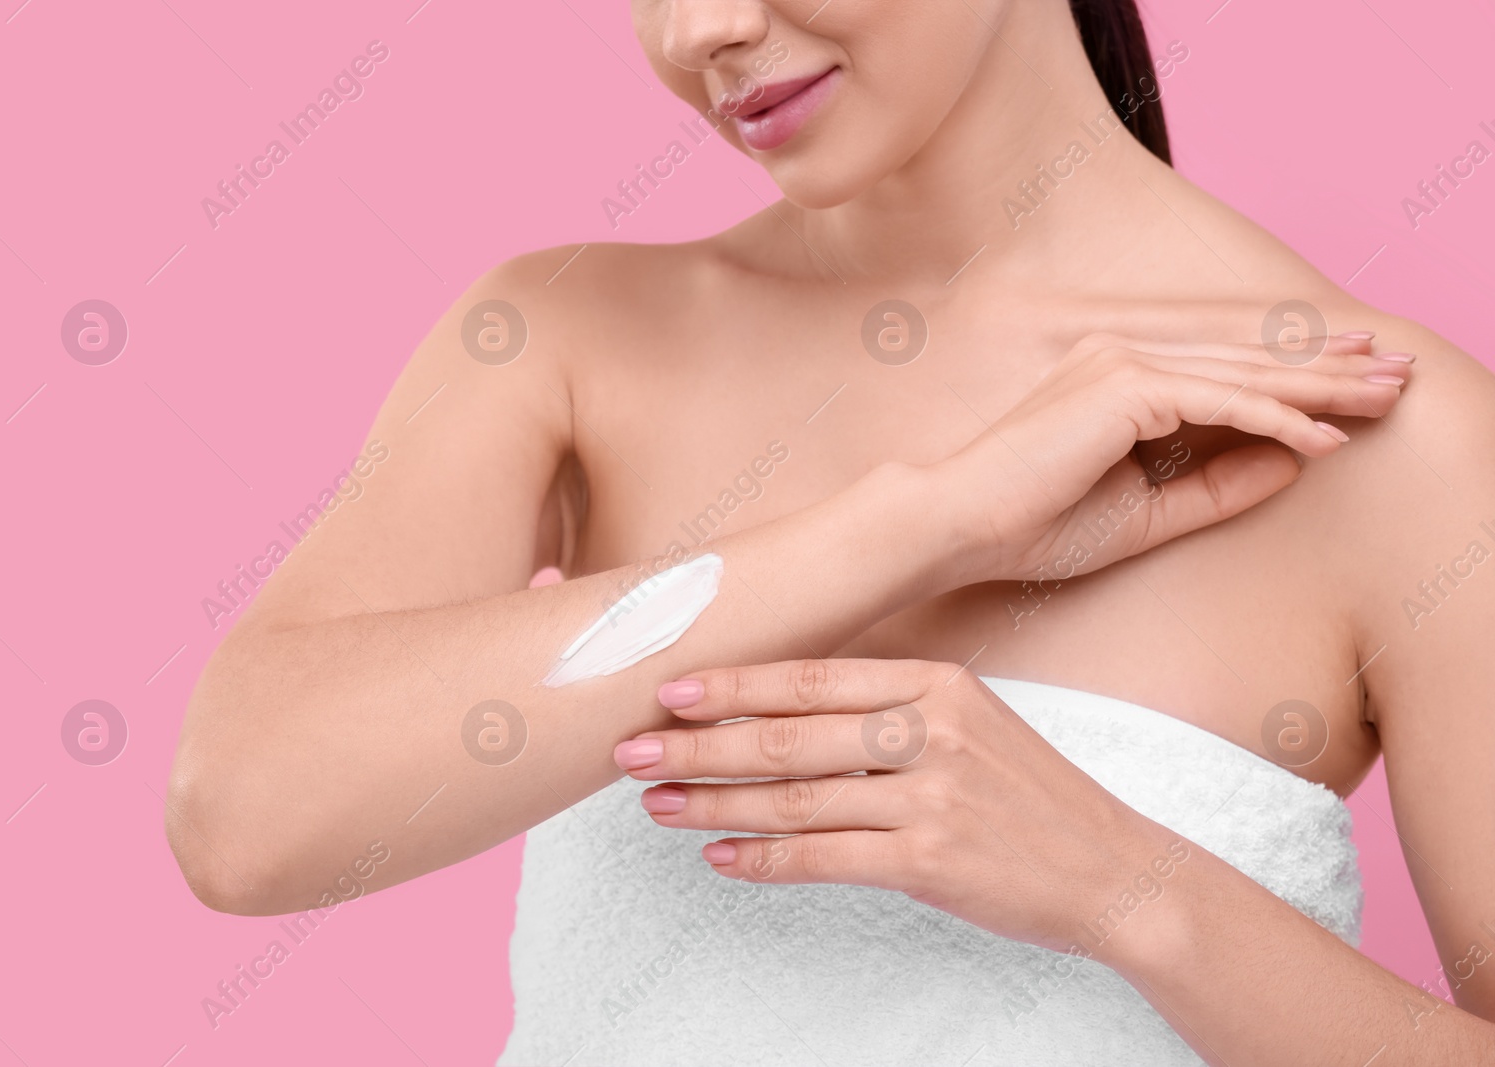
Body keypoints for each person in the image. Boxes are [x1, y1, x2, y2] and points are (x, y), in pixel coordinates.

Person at [166, 1, 1495, 1062]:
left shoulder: (1384, 437)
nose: (698, 31)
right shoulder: (567, 346)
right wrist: (928, 523)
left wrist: (1126, 891)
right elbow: (244, 816)